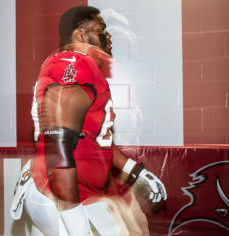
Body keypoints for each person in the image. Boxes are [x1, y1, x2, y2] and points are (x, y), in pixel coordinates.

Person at [10, 5, 167, 236]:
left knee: (136, 227)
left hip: (70, 189)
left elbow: (92, 140)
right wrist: (78, 227)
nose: (108, 35)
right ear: (79, 35)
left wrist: (136, 172)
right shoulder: (75, 63)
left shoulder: (84, 67)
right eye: (101, 29)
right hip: (57, 193)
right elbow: (58, 147)